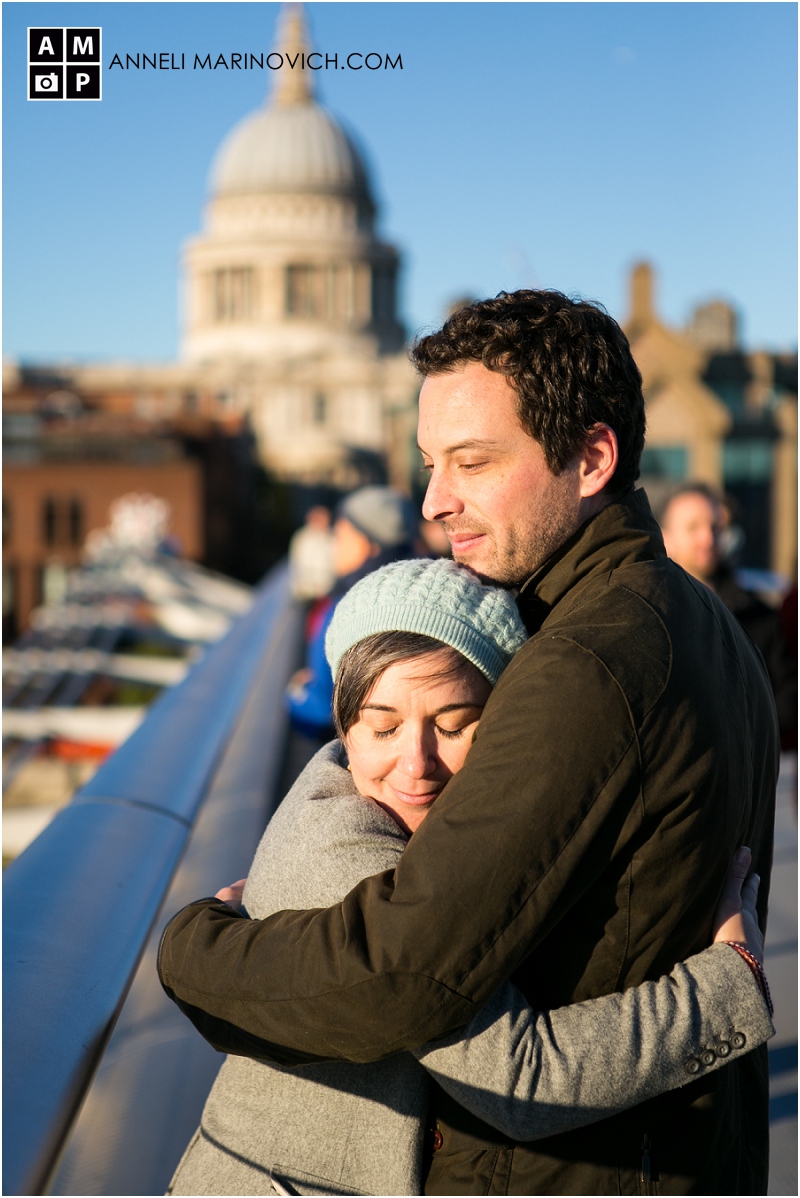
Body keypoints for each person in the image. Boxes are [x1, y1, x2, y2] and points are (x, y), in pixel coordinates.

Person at [159, 291, 778, 1194]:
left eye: (473, 462)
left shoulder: (585, 664)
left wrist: (192, 948)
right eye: (430, 463)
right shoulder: (699, 620)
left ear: (592, 457)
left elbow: (401, 978)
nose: (435, 501)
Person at [167, 559, 773, 1197]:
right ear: (345, 730)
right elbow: (521, 1080)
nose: (417, 763)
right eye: (383, 727)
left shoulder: (408, 824)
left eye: (455, 726)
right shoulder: (349, 857)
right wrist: (725, 985)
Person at [660, 482, 796, 750]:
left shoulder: (760, 617)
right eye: (693, 528)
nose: (707, 538)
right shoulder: (649, 616)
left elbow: (789, 694)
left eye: (714, 527)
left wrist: (745, 741)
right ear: (666, 538)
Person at [286, 485, 419, 737]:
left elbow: (324, 707)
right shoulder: (423, 587)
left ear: (368, 544)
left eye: (340, 536)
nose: (334, 547)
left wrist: (297, 693)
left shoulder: (349, 609)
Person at [288, 506, 335, 602]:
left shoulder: (331, 538)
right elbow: (296, 564)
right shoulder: (302, 538)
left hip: (324, 592)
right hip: (304, 591)